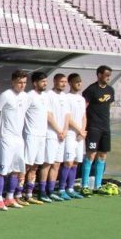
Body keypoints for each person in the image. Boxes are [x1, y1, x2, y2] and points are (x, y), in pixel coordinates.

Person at [0, 70, 29, 211]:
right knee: (2, 170)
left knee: (16, 170)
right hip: (5, 137)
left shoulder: (25, 96)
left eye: (24, 82)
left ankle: (9, 197)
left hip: (18, 138)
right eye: (20, 82)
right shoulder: (5, 95)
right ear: (13, 82)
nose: (22, 85)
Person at [80, 65, 115, 195]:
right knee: (91, 155)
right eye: (106, 75)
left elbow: (108, 106)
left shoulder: (110, 90)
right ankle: (84, 185)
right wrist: (83, 126)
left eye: (109, 76)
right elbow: (83, 108)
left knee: (102, 155)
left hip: (105, 127)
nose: (108, 78)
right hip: (93, 127)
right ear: (99, 75)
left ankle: (98, 186)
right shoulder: (91, 90)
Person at [41, 73, 71, 201]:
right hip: (51, 134)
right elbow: (49, 116)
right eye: (61, 81)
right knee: (48, 163)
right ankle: (42, 192)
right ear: (55, 81)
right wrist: (58, 130)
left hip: (62, 135)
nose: (64, 84)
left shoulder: (65, 97)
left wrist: (65, 130)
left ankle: (51, 191)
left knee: (57, 164)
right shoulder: (48, 95)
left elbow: (67, 116)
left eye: (65, 82)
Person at [22, 71, 49, 205]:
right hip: (31, 135)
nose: (45, 83)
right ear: (35, 83)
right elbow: (21, 113)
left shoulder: (45, 96)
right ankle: (18, 194)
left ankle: (29, 194)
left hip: (42, 136)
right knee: (26, 166)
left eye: (46, 81)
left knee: (35, 166)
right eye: (43, 81)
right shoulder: (29, 96)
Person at [61, 73, 87, 199]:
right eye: (76, 81)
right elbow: (68, 118)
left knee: (76, 162)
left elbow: (84, 116)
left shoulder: (81, 99)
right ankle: (61, 189)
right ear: (70, 83)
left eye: (80, 81)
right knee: (68, 162)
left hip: (80, 135)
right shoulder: (66, 98)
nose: (79, 83)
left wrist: (83, 131)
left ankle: (70, 188)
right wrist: (79, 130)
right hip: (71, 134)